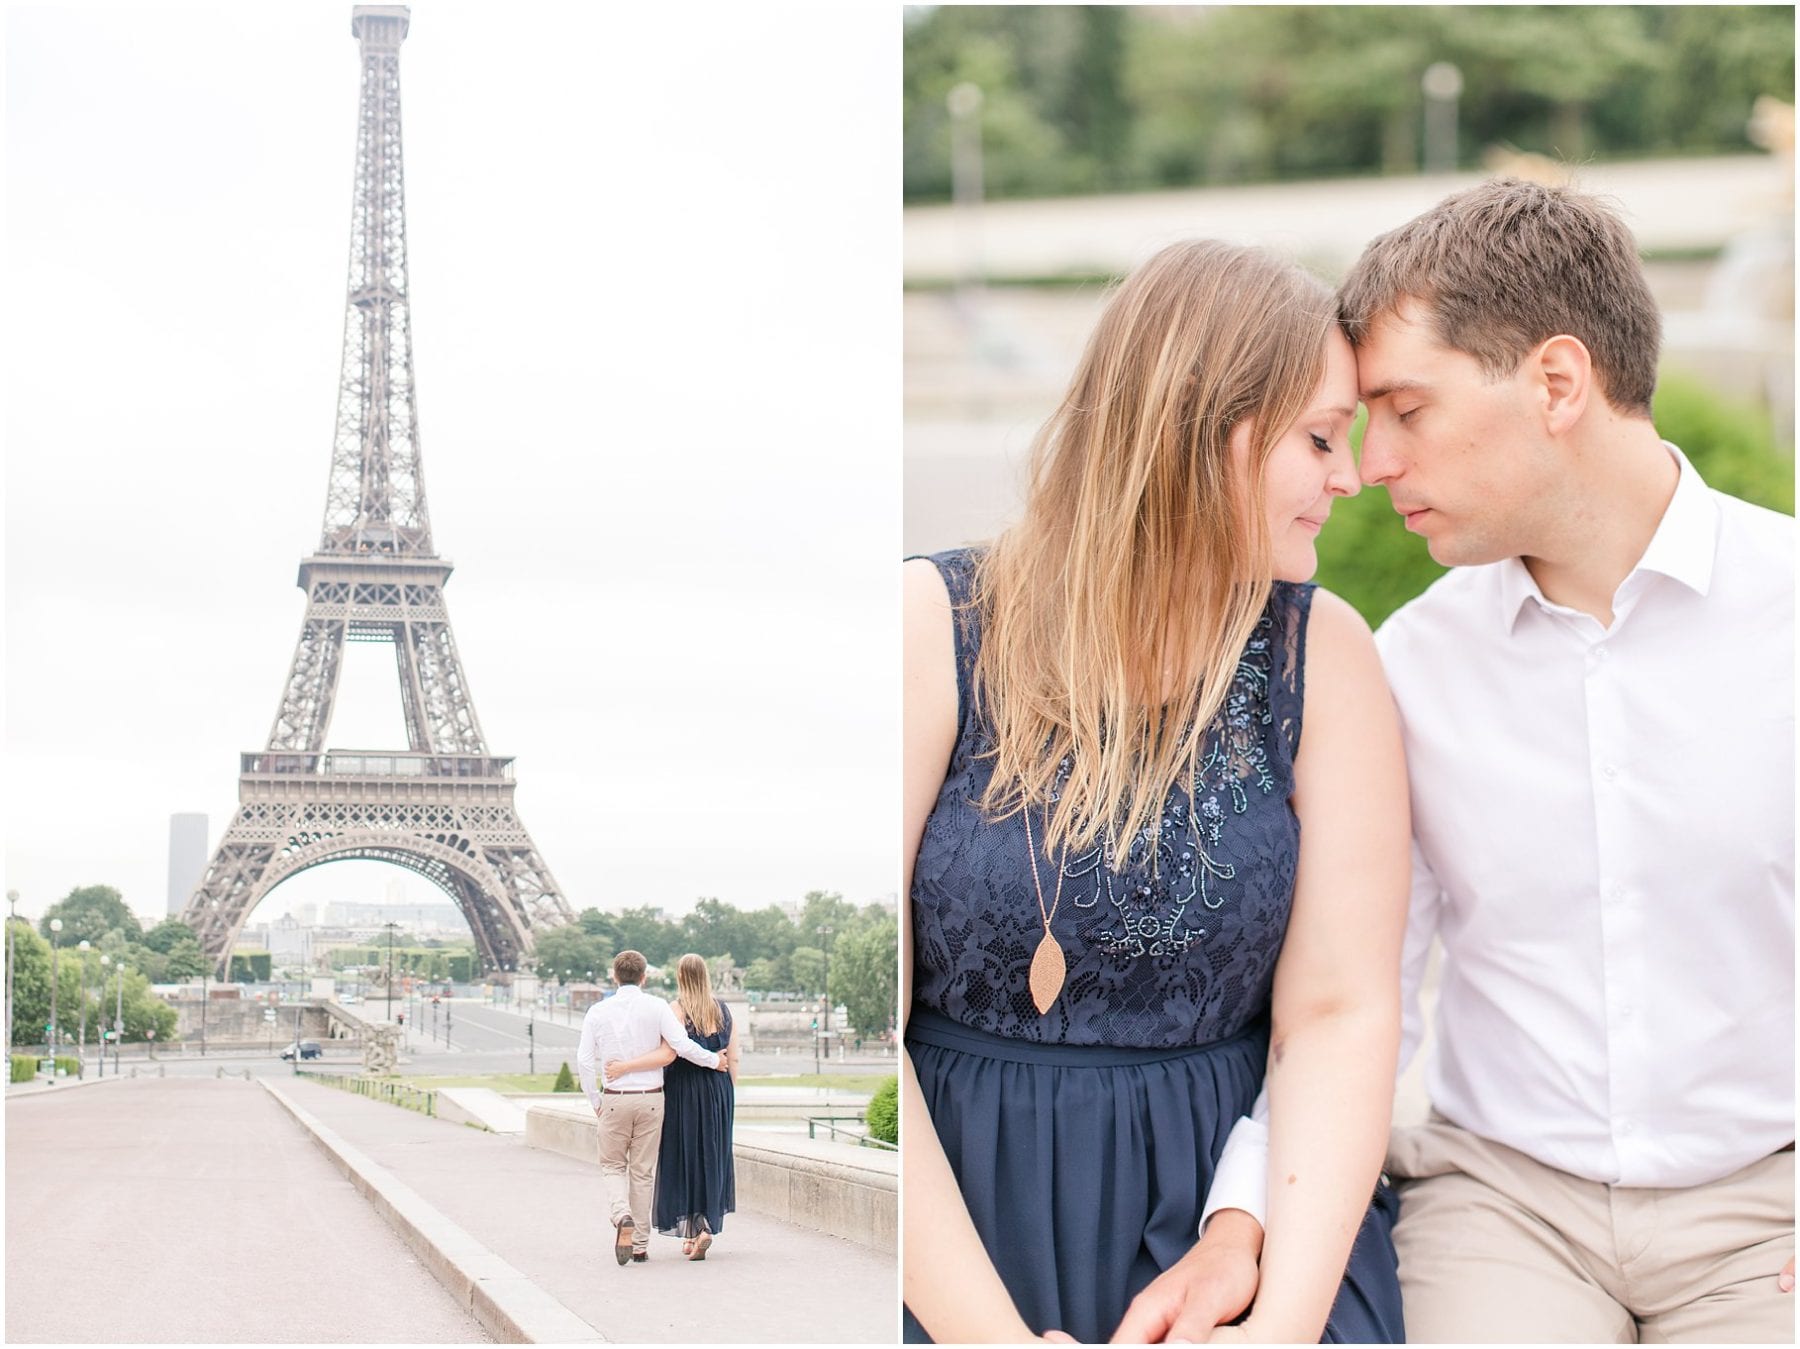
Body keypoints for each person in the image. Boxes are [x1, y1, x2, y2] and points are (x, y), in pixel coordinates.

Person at [1202, 178, 1796, 1342]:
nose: (1371, 464)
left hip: (1769, 1210)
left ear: (1558, 382)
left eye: (1407, 410)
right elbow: (1351, 998)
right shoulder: (1408, 664)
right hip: (1504, 1209)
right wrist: (1241, 1219)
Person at [902, 239, 1411, 1344]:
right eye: (1321, 438)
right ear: (1204, 429)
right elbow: (870, 1024)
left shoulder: (1325, 656)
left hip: (1246, 1230)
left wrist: (1276, 1322)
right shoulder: (932, 626)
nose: (1353, 475)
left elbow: (1339, 1014)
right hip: (951, 1227)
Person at [576, 949, 725, 1265]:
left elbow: (584, 1061)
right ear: (644, 977)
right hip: (653, 1099)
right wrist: (715, 1060)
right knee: (643, 1173)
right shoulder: (657, 1007)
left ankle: (621, 1215)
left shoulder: (597, 1011)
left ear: (614, 976)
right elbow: (681, 1047)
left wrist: (595, 1101)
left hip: (615, 1098)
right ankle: (640, 1244)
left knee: (613, 1166)